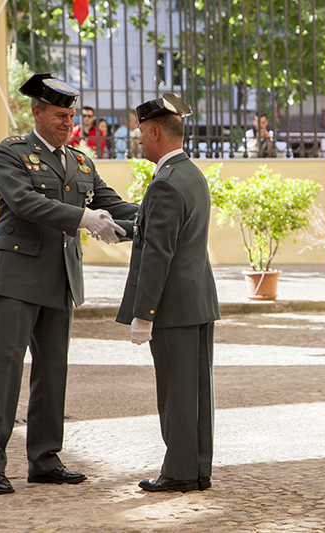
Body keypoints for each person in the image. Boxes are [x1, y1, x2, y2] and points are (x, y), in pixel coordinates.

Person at [0, 73, 139, 494]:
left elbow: (111, 204)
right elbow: (24, 202)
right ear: (38, 113)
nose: (68, 123)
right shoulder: (11, 153)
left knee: (52, 373)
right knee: (3, 372)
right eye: (60, 115)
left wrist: (161, 207)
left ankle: (44, 459)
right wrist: (83, 218)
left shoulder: (81, 162)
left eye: (71, 116)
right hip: (14, 277)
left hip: (59, 279)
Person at [116, 92, 220, 493]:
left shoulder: (164, 183)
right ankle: (197, 469)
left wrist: (144, 314)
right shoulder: (190, 174)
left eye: (141, 132)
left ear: (156, 131)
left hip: (173, 308)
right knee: (197, 393)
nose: (138, 139)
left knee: (176, 394)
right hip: (197, 302)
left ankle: (178, 473)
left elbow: (158, 254)